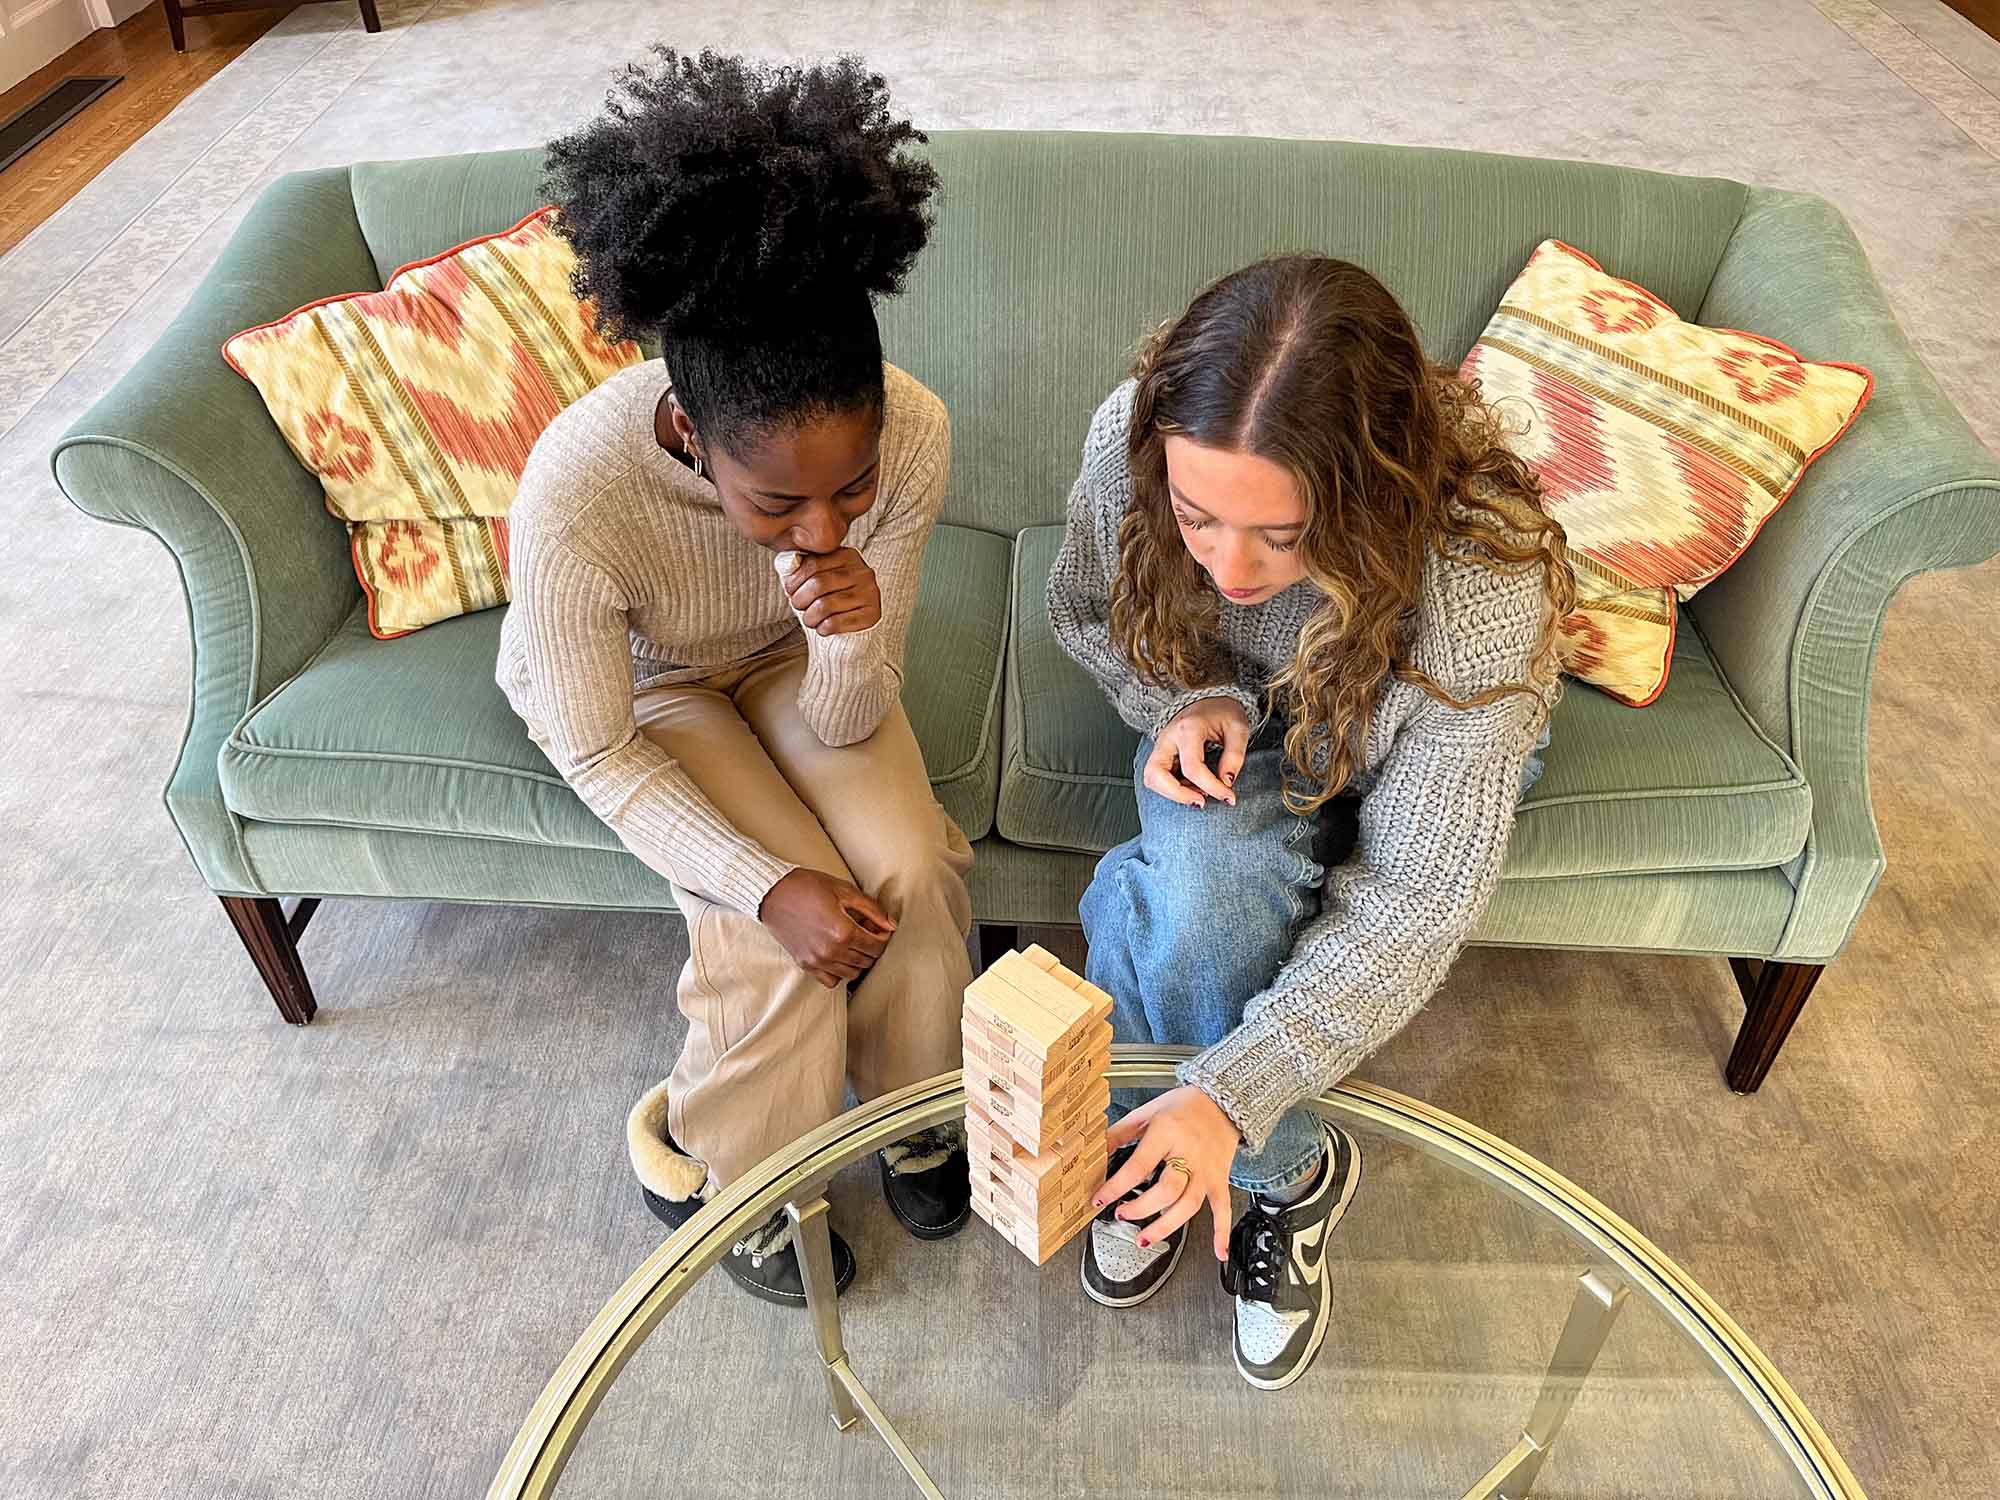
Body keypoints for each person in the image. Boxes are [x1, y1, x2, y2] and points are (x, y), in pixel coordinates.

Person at [1047, 254, 1573, 1389]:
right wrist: (1183, 697)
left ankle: (1234, 1157)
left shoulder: (1478, 579)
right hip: (1242, 717)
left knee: (1213, 929)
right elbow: (1087, 608)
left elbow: (1418, 898)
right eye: (1195, 519)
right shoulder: (1128, 440)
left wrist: (1230, 1100)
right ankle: (1289, 1169)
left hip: (1419, 724)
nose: (1230, 569)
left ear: (1372, 496)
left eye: (1280, 538)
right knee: (1200, 907)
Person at [499, 49, 973, 1307]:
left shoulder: (912, 433)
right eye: (775, 500)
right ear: (689, 435)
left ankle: (916, 1112)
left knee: (911, 864)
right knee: (779, 934)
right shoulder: (580, 488)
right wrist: (767, 886)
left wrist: (845, 629)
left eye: (848, 490)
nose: (823, 529)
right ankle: (739, 1181)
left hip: (792, 661)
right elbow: (596, 748)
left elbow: (846, 714)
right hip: (643, 688)